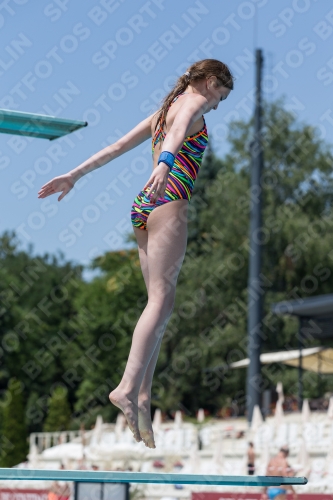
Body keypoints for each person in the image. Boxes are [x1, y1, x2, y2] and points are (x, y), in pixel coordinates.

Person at [38, 58, 234, 449]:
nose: (217, 105)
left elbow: (116, 146)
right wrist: (165, 163)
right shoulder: (190, 103)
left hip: (143, 207)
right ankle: (127, 388)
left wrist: (74, 175)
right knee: (162, 302)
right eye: (221, 96)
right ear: (210, 82)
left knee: (158, 304)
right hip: (169, 201)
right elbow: (180, 131)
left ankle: (142, 396)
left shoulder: (163, 109)